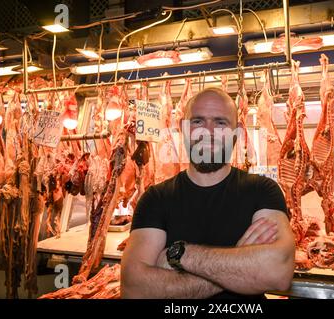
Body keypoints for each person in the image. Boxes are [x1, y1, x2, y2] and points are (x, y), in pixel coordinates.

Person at [121, 87, 295, 299]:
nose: (209, 132)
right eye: (198, 121)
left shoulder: (262, 191)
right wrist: (239, 268)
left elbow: (278, 273)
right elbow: (134, 289)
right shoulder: (155, 199)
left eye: (221, 122)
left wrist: (180, 255)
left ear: (237, 132)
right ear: (183, 128)